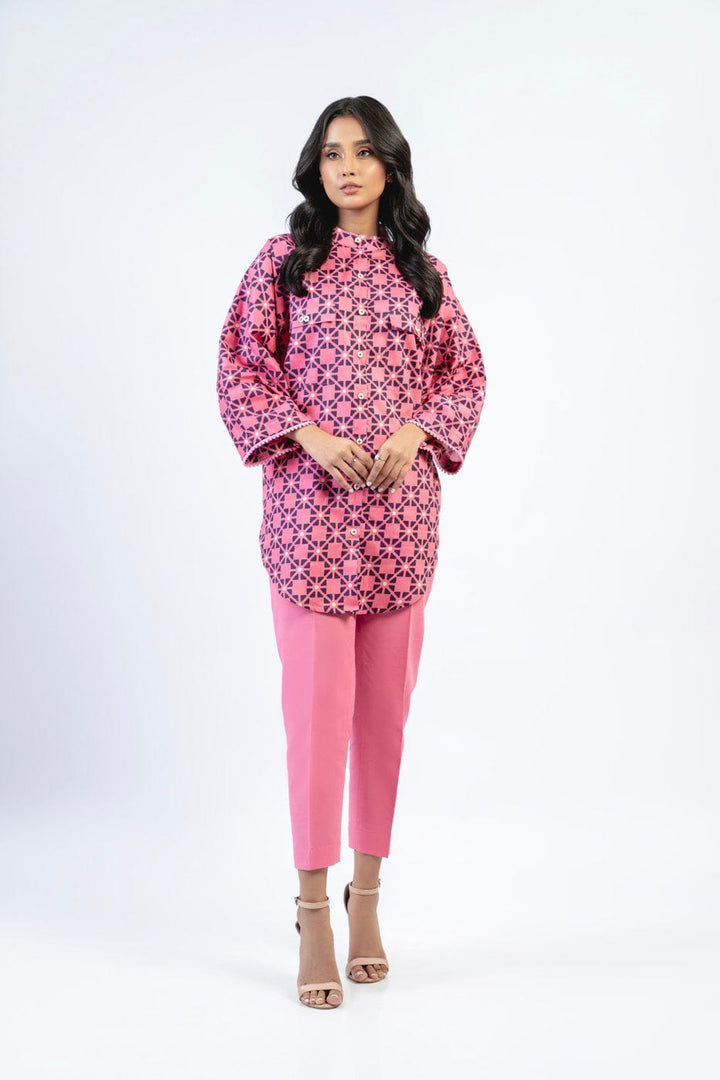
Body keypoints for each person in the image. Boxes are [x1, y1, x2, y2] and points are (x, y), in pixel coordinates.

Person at [217, 95, 487, 1010]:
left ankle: (365, 898)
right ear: (315, 167)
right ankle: (312, 912)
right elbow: (240, 365)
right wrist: (307, 433)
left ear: (390, 166)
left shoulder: (426, 276)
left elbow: (465, 375)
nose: (347, 168)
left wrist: (417, 429)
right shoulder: (284, 264)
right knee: (316, 721)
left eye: (365, 153)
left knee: (383, 722)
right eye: (332, 153)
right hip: (309, 523)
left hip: (399, 526)